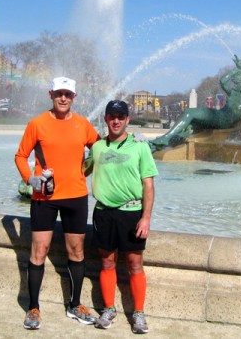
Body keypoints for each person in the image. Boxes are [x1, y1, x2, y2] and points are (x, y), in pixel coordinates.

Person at [14, 76, 100, 330]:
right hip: (45, 198)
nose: (63, 98)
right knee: (39, 252)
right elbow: (20, 155)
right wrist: (30, 178)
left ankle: (75, 305)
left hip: (76, 196)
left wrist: (88, 170)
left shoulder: (83, 125)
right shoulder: (37, 124)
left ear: (74, 97)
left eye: (68, 94)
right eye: (59, 93)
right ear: (51, 94)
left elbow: (100, 150)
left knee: (77, 251)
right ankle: (33, 308)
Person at [86, 100, 158, 334]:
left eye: (121, 116)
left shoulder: (140, 147)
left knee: (134, 264)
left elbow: (148, 185)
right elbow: (79, 170)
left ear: (128, 119)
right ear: (106, 119)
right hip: (104, 212)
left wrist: (145, 217)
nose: (116, 120)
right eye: (111, 116)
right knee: (106, 262)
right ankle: (108, 308)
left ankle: (138, 313)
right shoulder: (97, 148)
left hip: (131, 212)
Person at [150, 55, 241, 149]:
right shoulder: (234, 93)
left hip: (225, 119)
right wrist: (235, 71)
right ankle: (174, 138)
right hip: (220, 115)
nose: (235, 83)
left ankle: (166, 138)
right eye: (235, 80)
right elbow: (223, 81)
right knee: (192, 117)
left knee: (190, 112)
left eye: (238, 80)